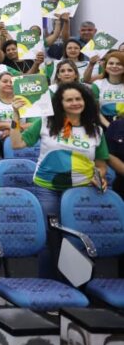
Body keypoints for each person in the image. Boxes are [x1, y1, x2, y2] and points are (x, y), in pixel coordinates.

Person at [9, 82, 110, 278]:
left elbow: (101, 164)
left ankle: (76, 284)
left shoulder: (96, 130)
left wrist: (101, 177)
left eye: (78, 99)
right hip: (48, 188)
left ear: (85, 101)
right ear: (60, 103)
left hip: (81, 190)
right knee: (51, 237)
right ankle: (48, 283)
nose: (74, 103)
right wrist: (15, 115)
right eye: (69, 100)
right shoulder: (47, 122)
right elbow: (17, 143)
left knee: (76, 238)